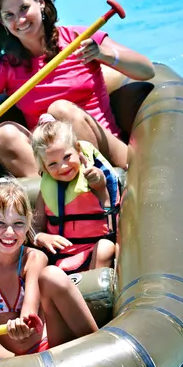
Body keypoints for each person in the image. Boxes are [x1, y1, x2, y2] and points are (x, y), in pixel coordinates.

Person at [0, 0, 155, 174]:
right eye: (9, 15)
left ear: (40, 2)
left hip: (106, 152)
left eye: (24, 8)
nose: (20, 20)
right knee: (4, 133)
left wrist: (103, 54)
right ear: (2, 22)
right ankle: (48, 197)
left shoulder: (79, 38)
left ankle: (98, 183)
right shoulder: (6, 67)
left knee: (60, 110)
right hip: (53, 165)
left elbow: (146, 70)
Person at [0, 178, 98, 356]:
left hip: (49, 346)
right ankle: (15, 364)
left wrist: (24, 325)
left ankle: (97, 346)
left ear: (28, 223)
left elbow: (29, 316)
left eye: (18, 224)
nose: (9, 232)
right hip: (5, 355)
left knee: (53, 275)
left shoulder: (34, 258)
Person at [31, 116, 120, 274]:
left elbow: (99, 183)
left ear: (78, 149)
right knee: (37, 260)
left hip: (94, 252)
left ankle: (92, 292)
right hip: (61, 261)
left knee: (105, 248)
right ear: (44, 167)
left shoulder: (91, 176)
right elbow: (35, 227)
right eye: (53, 164)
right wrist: (42, 238)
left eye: (67, 157)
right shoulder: (45, 192)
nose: (63, 166)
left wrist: (96, 177)